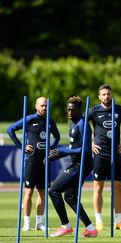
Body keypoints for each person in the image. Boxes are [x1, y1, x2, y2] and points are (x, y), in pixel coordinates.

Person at [7, 97, 60, 231]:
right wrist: (21, 145)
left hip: (44, 162)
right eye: (42, 105)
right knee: (29, 192)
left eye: (47, 106)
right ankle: (27, 222)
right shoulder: (30, 119)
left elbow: (57, 136)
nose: (45, 108)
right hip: (31, 161)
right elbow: (10, 130)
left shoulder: (50, 121)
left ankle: (39, 223)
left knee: (42, 192)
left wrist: (51, 147)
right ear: (36, 106)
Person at [48, 96, 97, 237]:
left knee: (54, 191)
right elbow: (72, 146)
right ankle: (91, 229)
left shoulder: (83, 124)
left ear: (79, 110)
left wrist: (61, 151)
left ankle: (65, 226)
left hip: (82, 164)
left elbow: (85, 150)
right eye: (68, 109)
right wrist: (56, 155)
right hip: (77, 163)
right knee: (70, 197)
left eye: (72, 110)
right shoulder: (73, 123)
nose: (69, 112)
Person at [88, 84, 121, 231]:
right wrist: (90, 143)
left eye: (108, 94)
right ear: (99, 96)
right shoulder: (93, 111)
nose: (106, 96)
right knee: (98, 187)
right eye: (104, 94)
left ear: (111, 95)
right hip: (100, 154)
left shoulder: (120, 109)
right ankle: (99, 221)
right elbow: (81, 127)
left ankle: (119, 221)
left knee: (117, 187)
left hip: (115, 153)